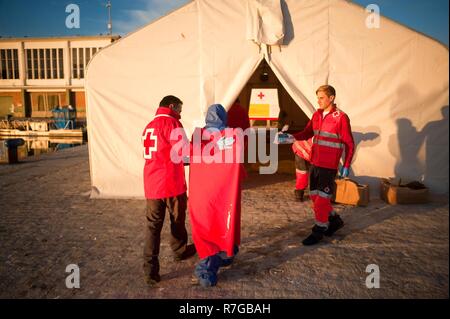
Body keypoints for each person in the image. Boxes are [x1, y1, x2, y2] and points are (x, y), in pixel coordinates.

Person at [141, 95, 196, 286]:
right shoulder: (172, 124)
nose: (181, 112)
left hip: (152, 184)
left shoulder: (149, 126)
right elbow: (184, 152)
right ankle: (179, 250)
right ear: (171, 106)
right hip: (171, 183)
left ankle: (150, 271)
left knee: (152, 227)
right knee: (177, 219)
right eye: (180, 107)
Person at [189, 104, 246, 287]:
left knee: (206, 227)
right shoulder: (233, 135)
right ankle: (227, 252)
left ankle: (208, 269)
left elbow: (188, 155)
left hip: (203, 192)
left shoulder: (198, 135)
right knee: (224, 224)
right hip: (225, 193)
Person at [291, 85, 355, 245]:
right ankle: (335, 220)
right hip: (316, 163)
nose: (318, 101)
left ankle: (319, 230)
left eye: (321, 97)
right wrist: (290, 137)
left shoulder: (341, 117)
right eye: (318, 97)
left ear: (331, 98)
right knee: (314, 196)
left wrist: (346, 164)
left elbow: (349, 143)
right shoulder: (317, 115)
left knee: (321, 199)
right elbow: (306, 133)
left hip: (329, 166)